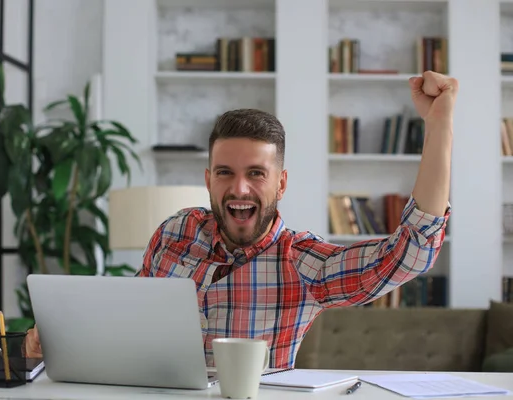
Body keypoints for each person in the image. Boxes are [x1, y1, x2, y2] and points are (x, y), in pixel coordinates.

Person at [25, 70, 456, 369]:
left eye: (256, 174)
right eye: (225, 173)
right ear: (208, 179)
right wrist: (60, 336)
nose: (240, 189)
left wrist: (438, 128)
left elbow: (407, 256)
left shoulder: (302, 263)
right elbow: (132, 319)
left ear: (281, 184)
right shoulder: (175, 233)